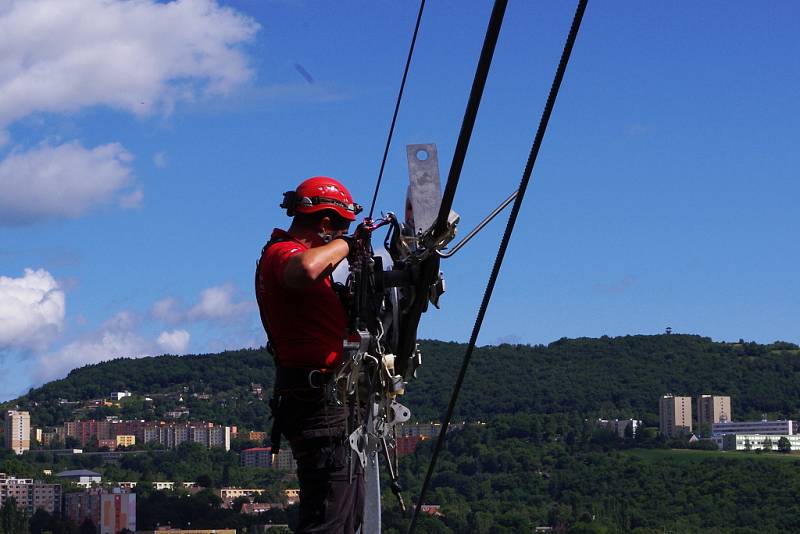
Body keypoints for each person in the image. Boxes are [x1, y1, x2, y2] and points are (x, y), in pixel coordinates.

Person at [255, 176, 364, 533]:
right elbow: (305, 269)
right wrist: (347, 246)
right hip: (317, 401)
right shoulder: (282, 253)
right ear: (327, 224)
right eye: (340, 229)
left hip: (322, 399)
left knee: (344, 514)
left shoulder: (295, 262)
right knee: (328, 518)